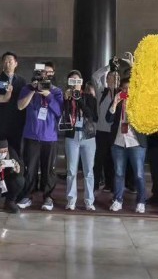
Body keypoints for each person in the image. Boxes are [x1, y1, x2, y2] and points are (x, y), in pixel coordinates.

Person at [16, 62, 62, 211]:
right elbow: (20, 106)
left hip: (50, 136)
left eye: (48, 73)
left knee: (48, 169)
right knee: (30, 168)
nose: (45, 75)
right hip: (31, 135)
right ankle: (27, 195)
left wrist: (48, 95)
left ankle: (48, 197)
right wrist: (33, 91)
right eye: (42, 72)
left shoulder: (56, 91)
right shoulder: (27, 88)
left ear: (52, 74)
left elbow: (59, 112)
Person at [106, 75, 147, 213]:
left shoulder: (139, 102)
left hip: (135, 142)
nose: (126, 91)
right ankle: (117, 200)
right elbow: (108, 118)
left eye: (129, 88)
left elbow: (145, 121)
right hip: (118, 142)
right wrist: (115, 103)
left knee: (139, 174)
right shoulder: (117, 101)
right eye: (124, 88)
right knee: (118, 173)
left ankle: (141, 201)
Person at [61, 69, 98, 211]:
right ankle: (71, 200)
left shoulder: (89, 97)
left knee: (89, 170)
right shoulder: (66, 97)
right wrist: (66, 100)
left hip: (88, 136)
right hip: (72, 136)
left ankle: (89, 200)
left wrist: (79, 100)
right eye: (72, 81)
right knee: (71, 170)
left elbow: (92, 116)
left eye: (77, 81)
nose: (75, 84)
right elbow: (62, 115)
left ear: (81, 82)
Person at [0, 51, 28, 152]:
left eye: (10, 61)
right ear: (2, 63)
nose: (8, 63)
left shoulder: (22, 81)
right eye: (5, 61)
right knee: (0, 152)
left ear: (16, 63)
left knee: (16, 152)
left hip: (17, 123)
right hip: (0, 123)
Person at [95, 67, 121, 192]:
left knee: (113, 160)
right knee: (99, 158)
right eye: (111, 77)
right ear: (107, 79)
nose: (114, 79)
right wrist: (109, 67)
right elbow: (95, 77)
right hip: (101, 131)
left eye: (116, 77)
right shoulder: (101, 92)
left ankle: (111, 185)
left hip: (115, 132)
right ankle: (95, 184)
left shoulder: (122, 94)